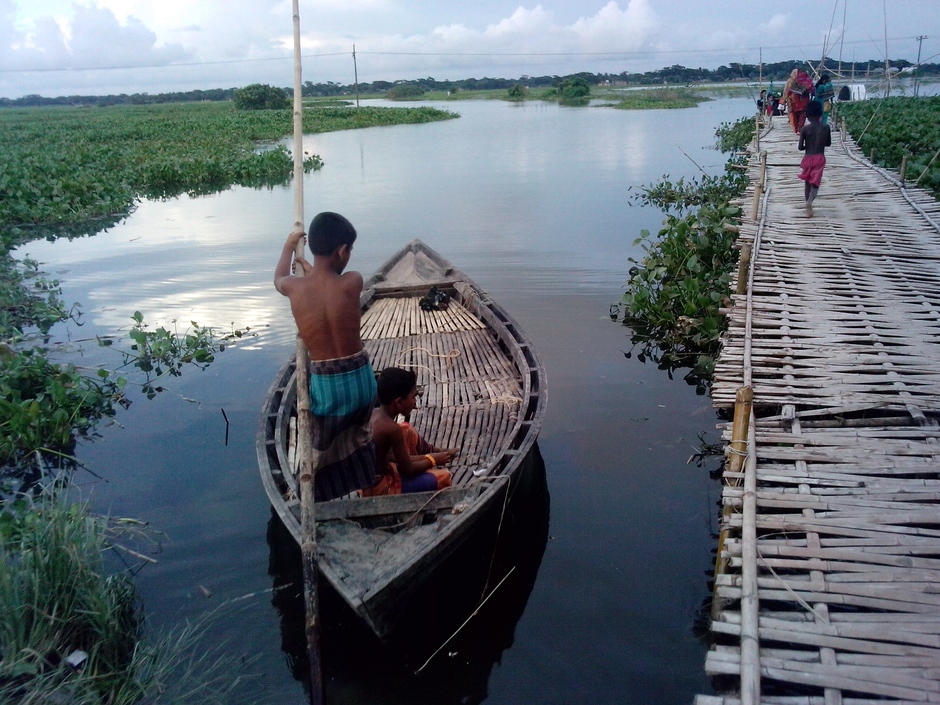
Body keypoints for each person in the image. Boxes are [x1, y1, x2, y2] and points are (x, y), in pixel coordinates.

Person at [274, 212, 377, 501]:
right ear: (343, 251)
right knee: (359, 436)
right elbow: (328, 286)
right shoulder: (353, 282)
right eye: (350, 251)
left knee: (322, 444)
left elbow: (280, 278)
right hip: (360, 378)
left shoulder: (295, 288)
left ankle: (312, 494)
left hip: (327, 382)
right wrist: (312, 270)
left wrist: (288, 247)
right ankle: (363, 480)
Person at [362, 367, 458, 496]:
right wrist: (432, 460)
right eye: (413, 397)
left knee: (406, 428)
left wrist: (432, 456)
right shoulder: (391, 429)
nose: (415, 402)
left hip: (382, 468)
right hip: (381, 488)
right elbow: (408, 469)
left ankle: (438, 451)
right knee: (444, 476)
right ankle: (436, 456)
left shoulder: (375, 413)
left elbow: (391, 456)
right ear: (399, 402)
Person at [798, 100, 831, 218]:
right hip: (819, 158)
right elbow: (828, 144)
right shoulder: (826, 127)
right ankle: (809, 202)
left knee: (807, 182)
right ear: (821, 114)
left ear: (807, 115)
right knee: (815, 183)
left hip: (807, 158)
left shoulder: (805, 129)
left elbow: (800, 147)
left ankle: (808, 207)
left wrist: (809, 144)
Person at [784, 68, 814, 134]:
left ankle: (796, 128)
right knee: (802, 115)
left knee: (796, 115)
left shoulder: (795, 81)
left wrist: (787, 98)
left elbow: (789, 91)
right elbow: (812, 90)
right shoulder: (808, 80)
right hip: (804, 101)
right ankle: (799, 129)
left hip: (795, 101)